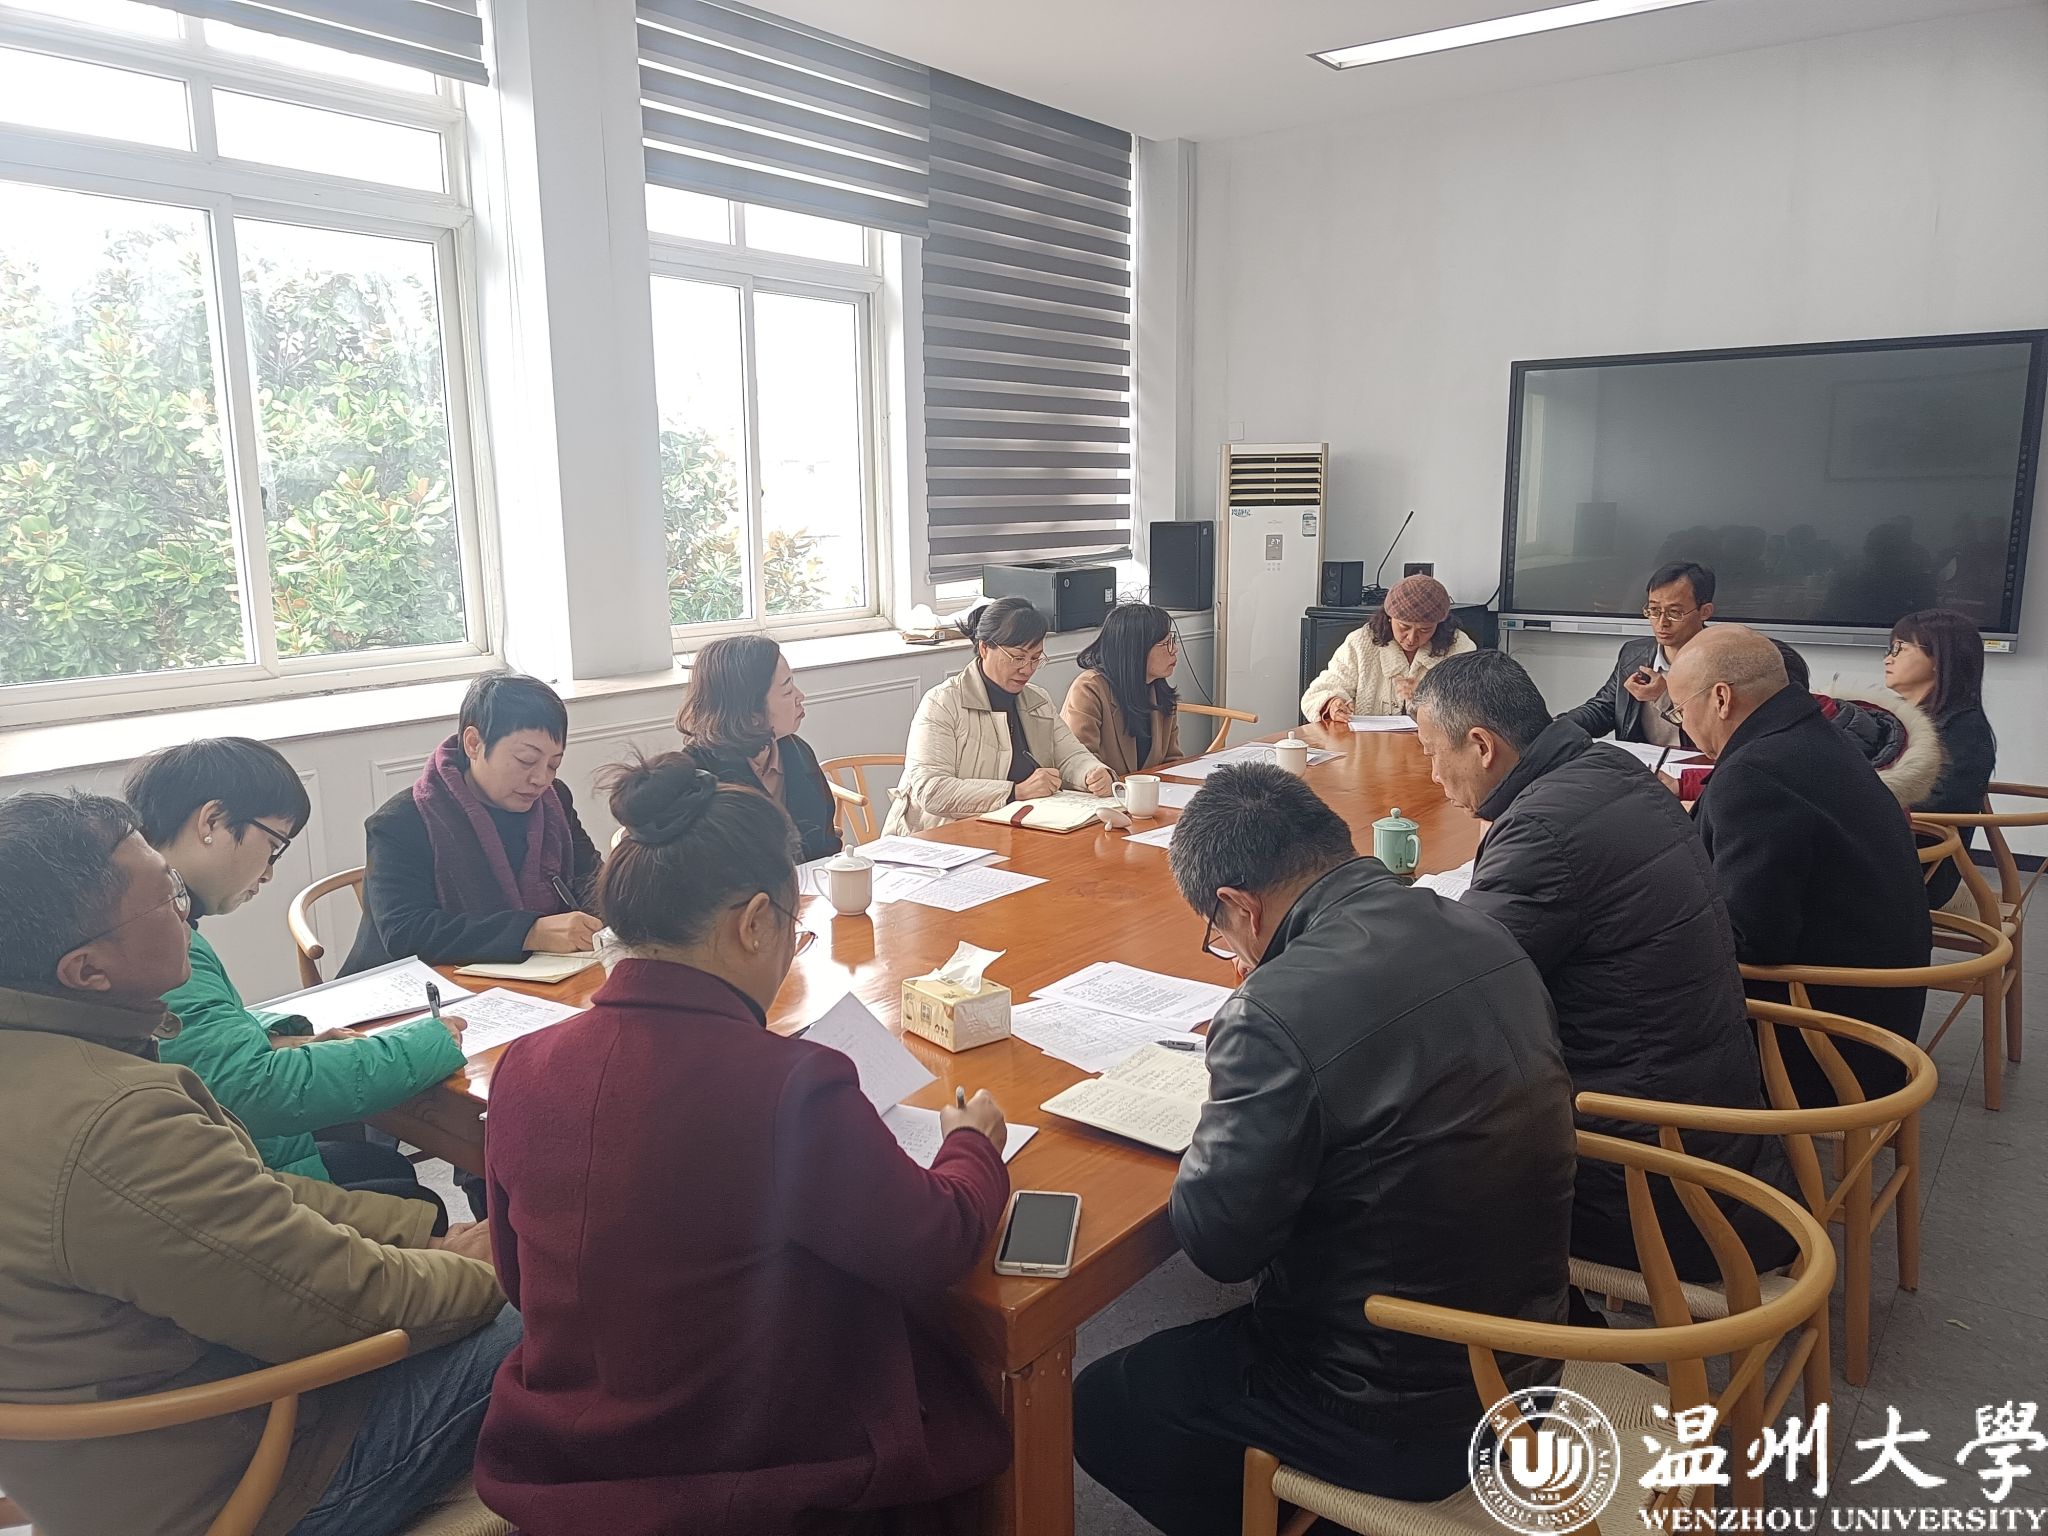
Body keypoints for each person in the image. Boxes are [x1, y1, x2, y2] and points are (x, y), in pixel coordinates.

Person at [476, 758, 1012, 1534]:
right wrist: (971, 1148)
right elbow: (936, 1243)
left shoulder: (524, 1065)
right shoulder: (790, 1084)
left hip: (564, 1464)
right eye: (794, 930)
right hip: (747, 1475)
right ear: (755, 922)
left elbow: (520, 1281)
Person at [1073, 764, 1575, 1535]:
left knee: (1106, 1405)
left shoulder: (1274, 1010)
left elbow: (1219, 1246)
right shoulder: (1475, 925)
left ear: (1241, 906)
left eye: (1218, 934)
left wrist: (1227, 1095)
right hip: (1529, 1348)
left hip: (1401, 1411)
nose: (1227, 952)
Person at [0, 791, 515, 1536]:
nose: (186, 916)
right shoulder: (110, 1121)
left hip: (112, 1446)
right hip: (242, 1472)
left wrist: (420, 1236)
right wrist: (492, 1270)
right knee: (572, 1300)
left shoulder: (59, 1059)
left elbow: (251, 1200)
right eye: (167, 900)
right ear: (87, 969)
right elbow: (332, 1305)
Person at [1412, 652, 1795, 1282]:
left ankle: (1514, 1322)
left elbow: (1454, 995)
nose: (1432, 774)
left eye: (1432, 753)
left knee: (1395, 1149)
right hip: (1717, 1134)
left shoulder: (1540, 830)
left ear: (1481, 746)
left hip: (1649, 1180)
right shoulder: (1611, 767)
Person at [123, 738, 465, 1221]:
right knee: (415, 1204)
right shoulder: (157, 938)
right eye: (273, 846)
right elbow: (253, 1090)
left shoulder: (145, 913)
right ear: (212, 821)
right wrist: (427, 1042)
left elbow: (197, 1048)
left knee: (385, 1168)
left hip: (228, 1156)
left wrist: (275, 1039)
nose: (267, 873)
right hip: (231, 1185)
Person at [1669, 627, 1932, 1102]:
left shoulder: (1754, 774)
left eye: (1679, 710)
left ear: (1721, 699)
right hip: (1877, 1022)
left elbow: (1752, 942)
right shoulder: (1812, 735)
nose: (1683, 725)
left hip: (1818, 1042)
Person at [344, 670, 603, 974]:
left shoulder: (554, 800)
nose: (541, 779)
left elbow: (593, 884)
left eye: (553, 764)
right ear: (474, 744)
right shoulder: (401, 822)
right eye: (526, 760)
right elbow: (406, 932)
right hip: (411, 987)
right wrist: (530, 932)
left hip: (530, 980)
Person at [886, 597, 1112, 835]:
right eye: (1018, 657)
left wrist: (1093, 772)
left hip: (1017, 831)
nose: (1027, 669)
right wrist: (1015, 792)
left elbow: (1070, 755)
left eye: (1036, 658)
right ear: (985, 648)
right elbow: (932, 790)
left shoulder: (1038, 700)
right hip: (940, 837)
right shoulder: (942, 703)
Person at [675, 634, 841, 861]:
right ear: (750, 713)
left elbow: (825, 842)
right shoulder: (696, 776)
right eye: (787, 690)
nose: (800, 696)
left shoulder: (797, 751)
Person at [1885, 608, 1998, 908]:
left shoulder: (1964, 727)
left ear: (1939, 659)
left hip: (1923, 868)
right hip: (1886, 849)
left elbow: (1942, 803)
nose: (1888, 659)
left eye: (1899, 649)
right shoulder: (1892, 717)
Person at [1563, 561, 1716, 745]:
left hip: (1699, 762)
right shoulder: (1634, 655)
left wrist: (1664, 698)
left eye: (1675, 612)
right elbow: (1604, 709)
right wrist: (1560, 726)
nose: (1662, 622)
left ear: (1705, 612)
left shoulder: (1723, 662)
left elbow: (1717, 735)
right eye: (1654, 610)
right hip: (1638, 761)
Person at [1299, 573, 1475, 724]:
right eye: (1404, 627)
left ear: (1440, 625)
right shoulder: (1361, 642)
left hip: (1432, 748)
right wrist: (1332, 703)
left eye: (1425, 630)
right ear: (1389, 618)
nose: (1411, 638)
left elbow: (1473, 706)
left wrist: (1429, 697)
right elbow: (1318, 692)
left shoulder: (1459, 647)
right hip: (1369, 746)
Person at [1062, 602, 1183, 776]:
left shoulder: (1160, 691)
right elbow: (1079, 764)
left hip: (1155, 792)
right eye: (1166, 643)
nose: (1175, 650)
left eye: (1173, 641)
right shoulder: (1089, 689)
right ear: (1136, 649)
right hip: (1105, 791)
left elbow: (1172, 762)